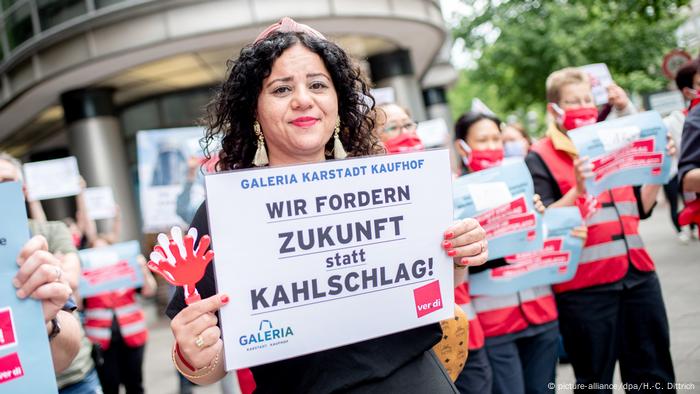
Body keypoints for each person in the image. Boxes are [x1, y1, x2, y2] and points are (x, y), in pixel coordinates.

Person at [164, 17, 488, 393]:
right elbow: (208, 368)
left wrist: (459, 255)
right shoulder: (225, 211)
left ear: (338, 102)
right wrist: (196, 354)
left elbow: (435, 289)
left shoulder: (391, 185)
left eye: (318, 84)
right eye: (281, 89)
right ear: (254, 111)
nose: (304, 99)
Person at [525, 67, 676, 393]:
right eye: (573, 100)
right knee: (595, 382)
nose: (584, 106)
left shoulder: (610, 140)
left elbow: (640, 208)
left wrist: (657, 167)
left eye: (587, 99)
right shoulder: (539, 156)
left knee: (654, 376)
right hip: (585, 290)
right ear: (555, 109)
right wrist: (577, 191)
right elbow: (542, 223)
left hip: (639, 277)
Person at [452, 111, 584, 394]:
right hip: (495, 322)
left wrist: (556, 226)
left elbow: (538, 238)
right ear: (462, 146)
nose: (491, 146)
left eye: (496, 139)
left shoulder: (521, 182)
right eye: (482, 140)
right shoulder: (453, 195)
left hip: (542, 314)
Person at [0, 152, 83, 375]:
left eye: (6, 182)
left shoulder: (50, 231)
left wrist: (47, 320)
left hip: (71, 376)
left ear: (23, 190)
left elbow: (70, 280)